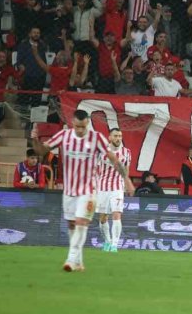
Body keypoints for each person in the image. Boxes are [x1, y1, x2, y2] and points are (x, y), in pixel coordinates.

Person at [31, 110, 134, 272]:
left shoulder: (96, 138)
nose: (80, 130)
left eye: (83, 127)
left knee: (81, 222)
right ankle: (79, 260)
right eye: (77, 126)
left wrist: (127, 180)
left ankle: (71, 259)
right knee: (72, 224)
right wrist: (34, 139)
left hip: (89, 189)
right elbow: (42, 151)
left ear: (87, 124)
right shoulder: (64, 135)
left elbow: (114, 159)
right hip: (70, 190)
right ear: (72, 123)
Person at [96, 128, 133, 253]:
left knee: (117, 214)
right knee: (103, 217)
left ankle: (114, 245)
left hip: (117, 187)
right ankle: (107, 241)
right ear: (110, 137)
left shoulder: (126, 152)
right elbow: (95, 169)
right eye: (116, 136)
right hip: (103, 187)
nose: (118, 138)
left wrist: (127, 184)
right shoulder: (101, 151)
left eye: (120, 136)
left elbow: (126, 170)